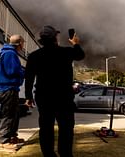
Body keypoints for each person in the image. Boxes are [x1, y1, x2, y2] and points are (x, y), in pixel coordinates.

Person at [25, 25, 85, 157]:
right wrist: (75, 43)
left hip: (44, 97)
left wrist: (28, 96)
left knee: (46, 128)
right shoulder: (66, 52)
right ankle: (65, 154)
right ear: (55, 38)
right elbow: (80, 55)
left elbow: (29, 77)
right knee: (66, 128)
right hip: (63, 97)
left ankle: (48, 154)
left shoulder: (35, 56)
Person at [0, 34, 25, 150]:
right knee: (8, 114)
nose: (23, 46)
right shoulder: (10, 54)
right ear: (19, 44)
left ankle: (12, 136)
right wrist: (22, 72)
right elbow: (11, 71)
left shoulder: (9, 52)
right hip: (7, 88)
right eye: (22, 43)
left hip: (10, 88)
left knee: (14, 114)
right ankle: (3, 140)